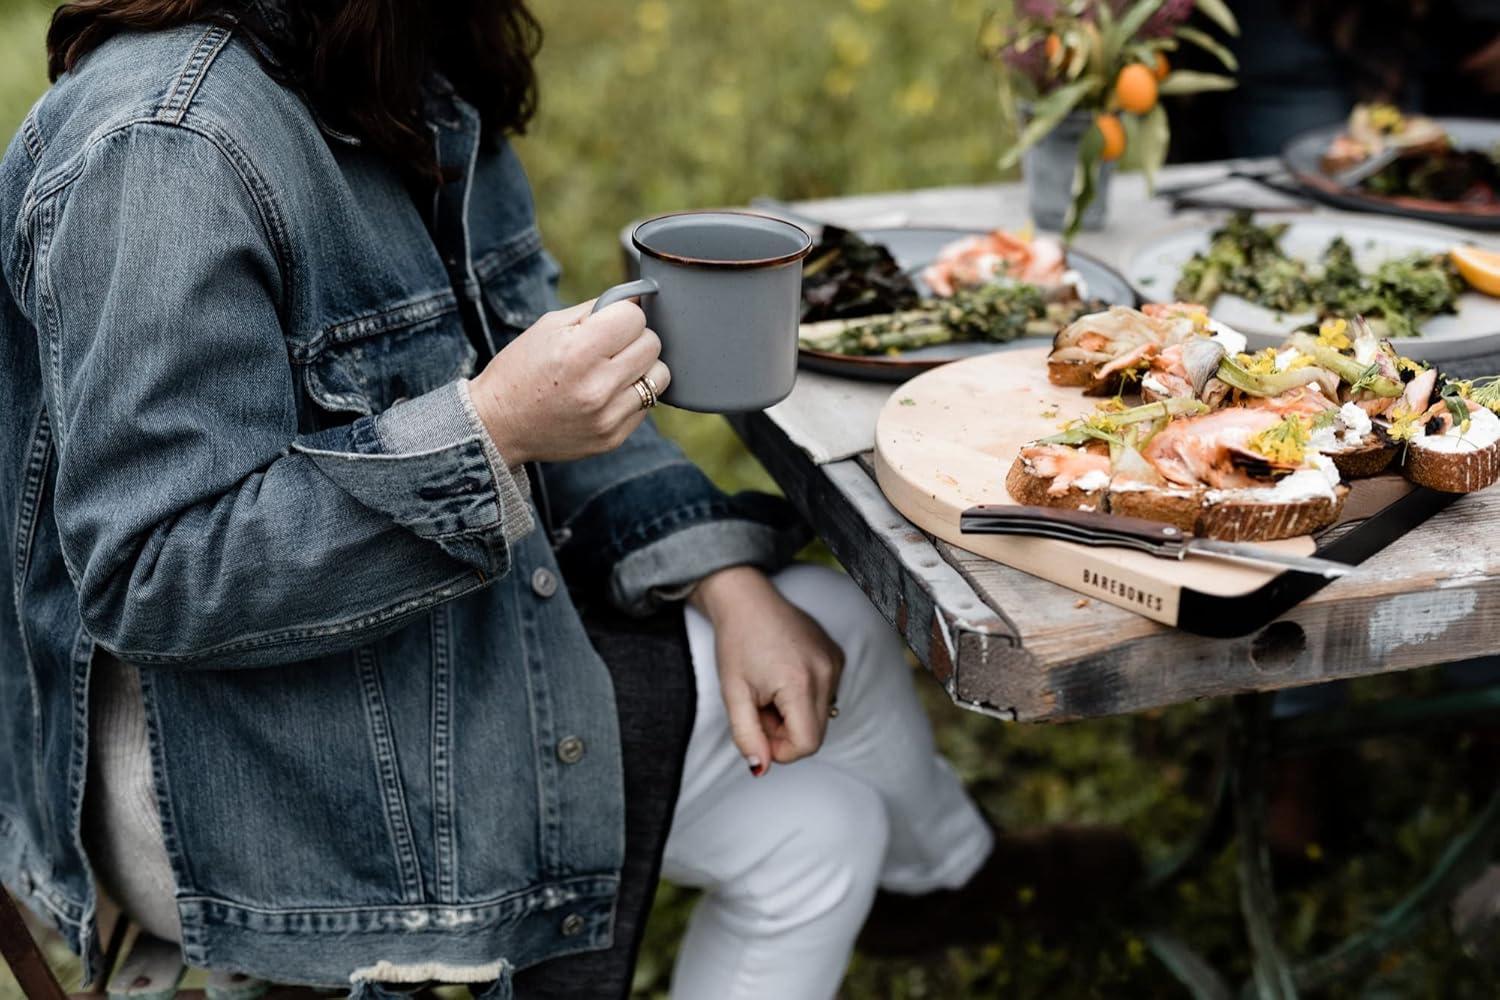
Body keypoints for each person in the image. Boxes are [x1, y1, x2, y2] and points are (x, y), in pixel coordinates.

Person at [0, 2, 1136, 997]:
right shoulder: (162, 145)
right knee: (846, 646)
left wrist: (721, 575)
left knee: (821, 821)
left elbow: (537, 355)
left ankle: (945, 881)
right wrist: (487, 431)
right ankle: (962, 880)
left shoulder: (401, 68)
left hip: (392, 657)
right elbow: (156, 573)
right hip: (238, 788)